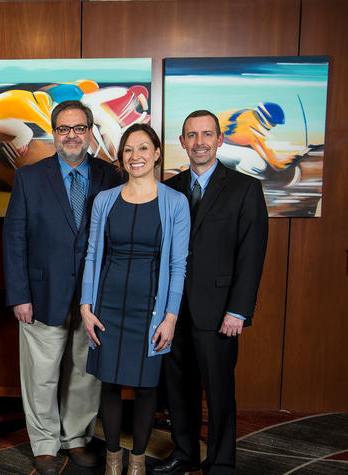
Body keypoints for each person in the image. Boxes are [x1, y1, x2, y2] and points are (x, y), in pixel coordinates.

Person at [3, 100, 123, 475]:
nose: (71, 135)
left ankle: (76, 438)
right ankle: (43, 442)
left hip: (94, 296)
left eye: (79, 128)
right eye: (63, 129)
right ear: (53, 133)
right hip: (41, 294)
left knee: (85, 372)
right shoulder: (28, 177)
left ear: (90, 132)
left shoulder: (111, 176)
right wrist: (19, 295)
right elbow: (14, 239)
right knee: (42, 373)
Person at [154, 110, 269, 475]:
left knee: (219, 393)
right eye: (192, 135)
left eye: (207, 134)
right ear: (182, 142)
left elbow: (251, 255)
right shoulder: (167, 189)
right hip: (174, 311)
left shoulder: (244, 188)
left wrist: (239, 310)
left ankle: (220, 462)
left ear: (220, 140)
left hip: (219, 311)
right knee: (178, 389)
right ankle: (185, 453)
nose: (199, 142)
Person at [79, 123, 190, 475]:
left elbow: (178, 264)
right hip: (108, 305)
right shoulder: (104, 200)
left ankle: (137, 461)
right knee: (108, 383)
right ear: (121, 156)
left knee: (145, 388)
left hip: (152, 308)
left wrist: (170, 316)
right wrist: (86, 306)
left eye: (143, 148)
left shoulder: (176, 202)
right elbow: (93, 255)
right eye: (128, 149)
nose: (135, 156)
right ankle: (114, 459)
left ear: (157, 154)